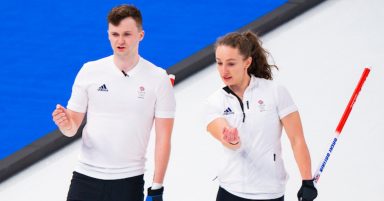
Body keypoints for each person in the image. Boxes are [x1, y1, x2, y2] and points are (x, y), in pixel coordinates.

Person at [52, 4, 175, 201]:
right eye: (115, 34)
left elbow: (163, 139)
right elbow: (71, 129)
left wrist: (157, 187)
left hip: (129, 181)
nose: (120, 40)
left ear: (140, 35)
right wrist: (66, 123)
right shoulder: (89, 71)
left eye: (127, 34)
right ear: (108, 34)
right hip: (85, 178)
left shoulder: (158, 78)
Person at [205, 31, 318, 201]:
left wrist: (307, 180)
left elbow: (297, 140)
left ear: (247, 62)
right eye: (219, 63)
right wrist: (231, 139)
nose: (224, 70)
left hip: (270, 193)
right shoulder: (215, 101)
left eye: (231, 63)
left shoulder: (275, 92)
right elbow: (223, 134)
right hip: (230, 191)